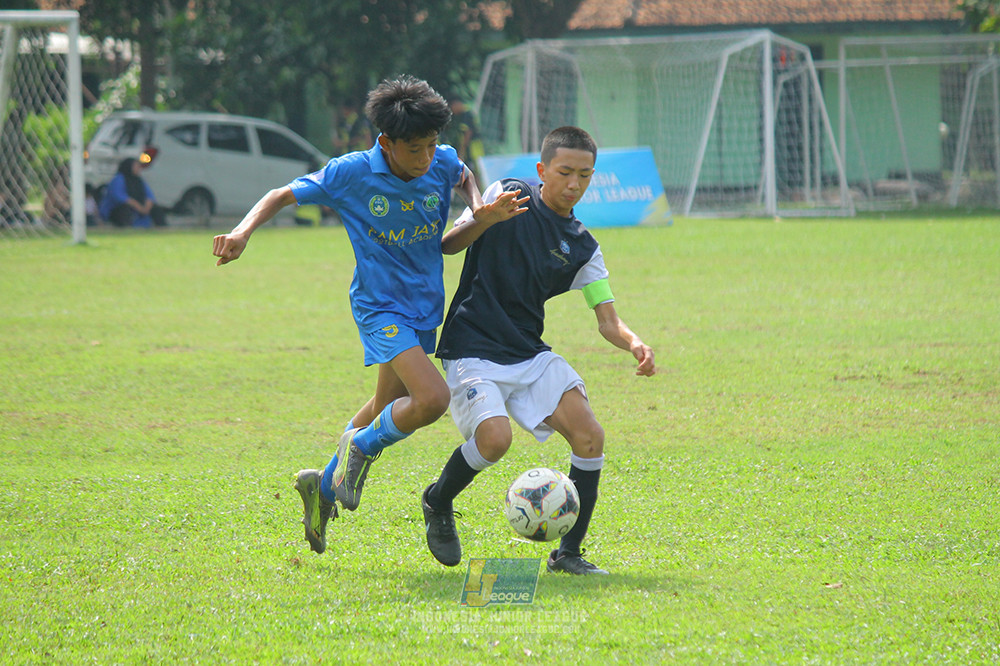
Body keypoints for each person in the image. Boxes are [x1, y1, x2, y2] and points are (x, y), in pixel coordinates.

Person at [211, 75, 528, 555]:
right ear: (386, 143)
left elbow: (461, 173)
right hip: (380, 306)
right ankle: (361, 447)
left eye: (432, 145)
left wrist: (479, 209)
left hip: (424, 305)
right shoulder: (351, 173)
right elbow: (282, 193)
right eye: (414, 149)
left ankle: (320, 488)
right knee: (431, 399)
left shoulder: (440, 163)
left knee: (383, 408)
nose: (426, 158)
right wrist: (242, 232)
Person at [421, 126, 656, 575]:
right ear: (541, 170)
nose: (574, 184)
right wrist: (487, 217)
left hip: (528, 352)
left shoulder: (584, 246)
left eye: (585, 175)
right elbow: (448, 246)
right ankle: (437, 500)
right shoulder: (507, 194)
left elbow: (607, 319)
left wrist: (634, 342)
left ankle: (568, 554)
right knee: (495, 440)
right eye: (565, 172)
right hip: (471, 346)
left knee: (590, 436)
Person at [99, 158, 167, 228]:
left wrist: (146, 207)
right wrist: (137, 205)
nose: (139, 169)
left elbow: (149, 196)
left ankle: (163, 229)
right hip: (120, 209)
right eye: (136, 166)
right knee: (124, 210)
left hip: (140, 208)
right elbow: (118, 196)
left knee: (157, 209)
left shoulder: (139, 180)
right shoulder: (118, 179)